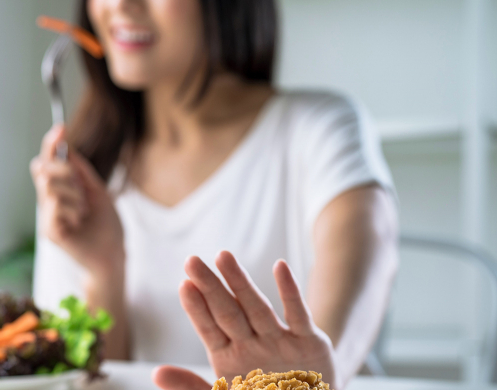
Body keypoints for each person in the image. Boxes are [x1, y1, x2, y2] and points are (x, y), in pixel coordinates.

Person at [30, 0, 398, 389]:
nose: (120, 4)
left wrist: (308, 382)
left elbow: (369, 266)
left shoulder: (320, 128)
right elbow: (97, 380)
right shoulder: (81, 177)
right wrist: (104, 267)